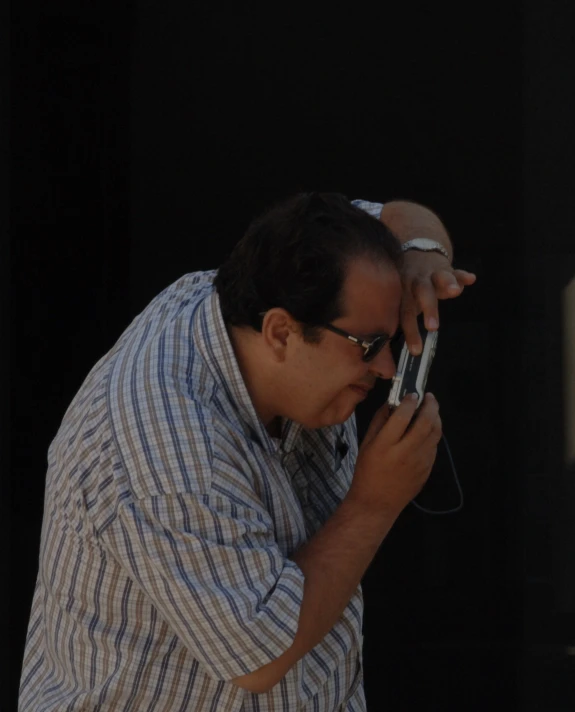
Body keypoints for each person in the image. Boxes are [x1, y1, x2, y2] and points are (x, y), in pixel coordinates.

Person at [19, 193, 476, 711]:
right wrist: (375, 503)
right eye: (370, 345)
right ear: (281, 331)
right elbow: (261, 653)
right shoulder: (171, 450)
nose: (389, 369)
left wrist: (419, 255)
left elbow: (396, 217)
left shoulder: (273, 284)